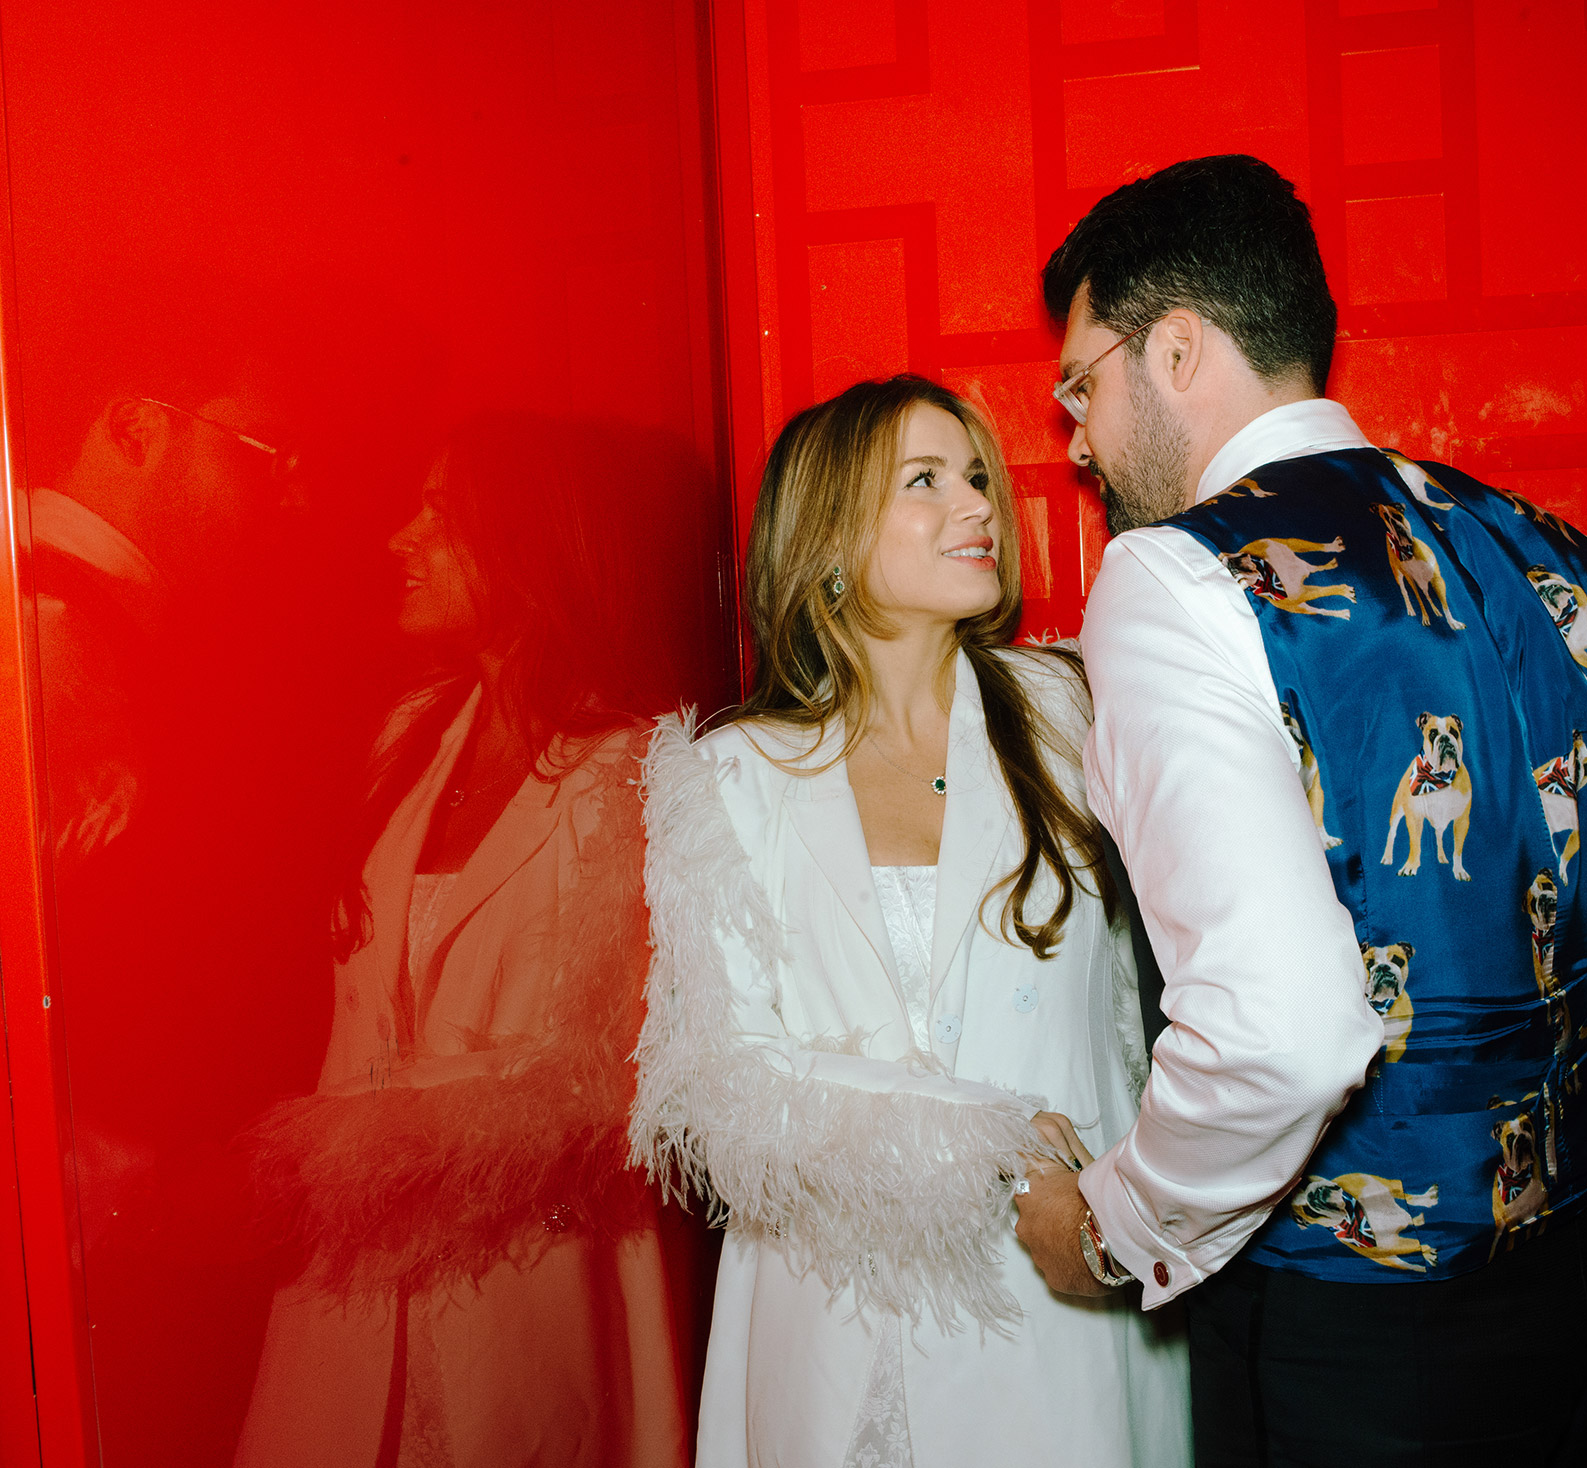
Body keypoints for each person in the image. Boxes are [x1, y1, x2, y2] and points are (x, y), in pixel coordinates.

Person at [1011, 154, 1587, 1465]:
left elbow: (1285, 1032)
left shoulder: (1170, 580)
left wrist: (1107, 1230)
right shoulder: (1569, 560)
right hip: (1578, 1294)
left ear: (1180, 350)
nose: (1074, 434)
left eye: (1083, 381)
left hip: (1350, 1342)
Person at [628, 374, 1192, 1467]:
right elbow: (726, 1083)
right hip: (830, 1316)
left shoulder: (1075, 713)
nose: (979, 506)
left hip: (1056, 1299)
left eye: (977, 477)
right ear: (828, 539)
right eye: (926, 482)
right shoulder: (732, 776)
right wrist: (981, 1133)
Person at [234, 415, 717, 1467]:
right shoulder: (404, 735)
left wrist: (330, 1157)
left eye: (439, 516)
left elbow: (600, 1079)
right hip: (351, 1291)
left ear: (528, 544)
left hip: (527, 1281)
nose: (402, 539)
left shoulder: (626, 769)